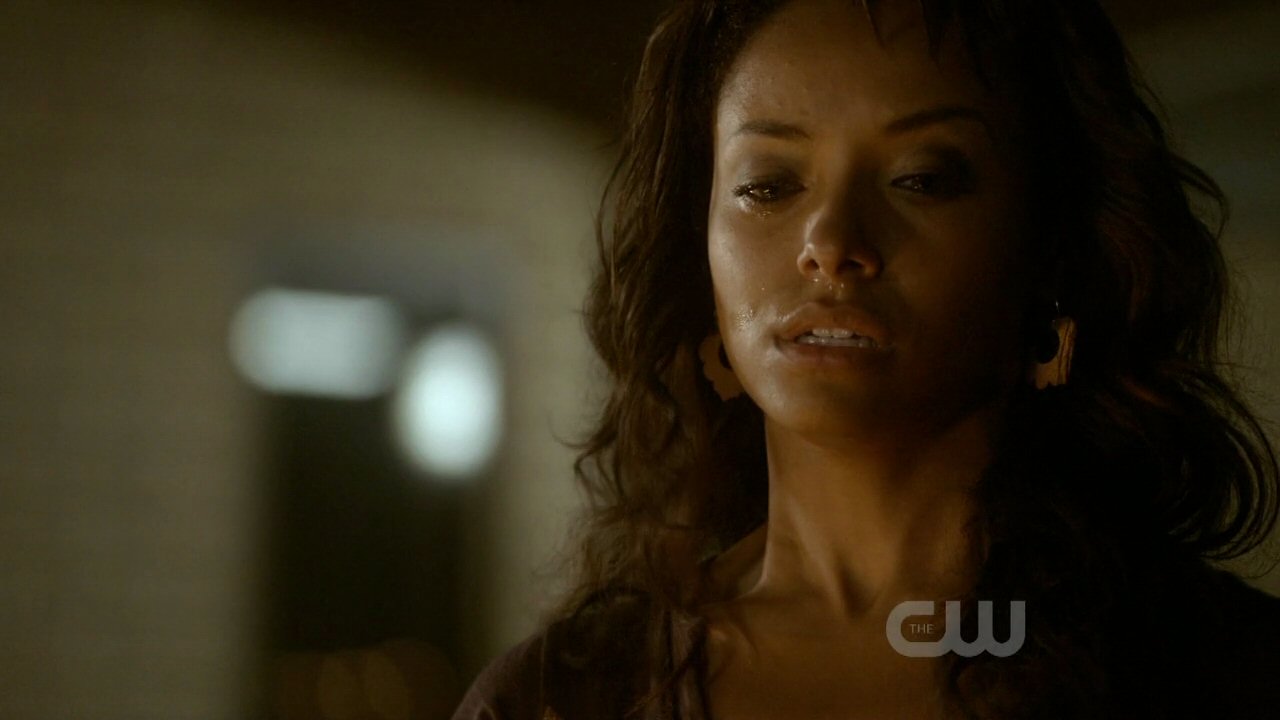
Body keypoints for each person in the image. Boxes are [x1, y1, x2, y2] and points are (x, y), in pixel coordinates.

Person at [454, 0, 1280, 717]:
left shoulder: (1228, 677)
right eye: (769, 185)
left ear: (1051, 247)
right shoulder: (563, 698)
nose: (830, 242)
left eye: (921, 178)